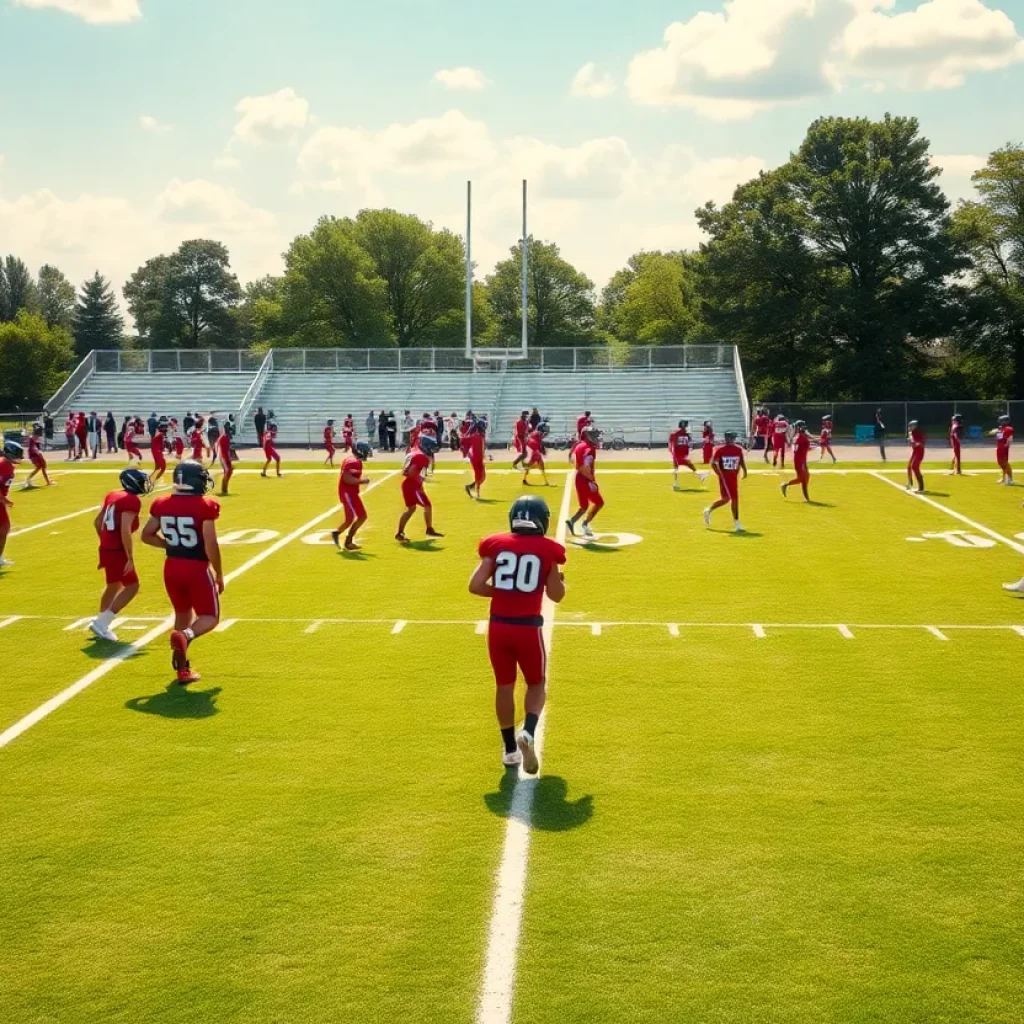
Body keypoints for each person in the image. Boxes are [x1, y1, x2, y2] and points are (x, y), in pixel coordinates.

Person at [468, 495, 567, 772]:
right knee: (536, 683)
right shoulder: (549, 550)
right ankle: (529, 731)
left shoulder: (496, 544)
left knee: (504, 685)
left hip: (499, 626)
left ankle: (509, 749)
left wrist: (501, 592)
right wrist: (559, 582)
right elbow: (556, 595)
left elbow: (475, 586)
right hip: (527, 627)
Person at [142, 460, 223, 686]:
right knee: (209, 617)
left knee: (182, 615)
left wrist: (169, 546)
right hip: (196, 568)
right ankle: (185, 637)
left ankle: (183, 670)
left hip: (171, 567)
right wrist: (219, 572)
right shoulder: (205, 505)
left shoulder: (162, 504)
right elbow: (211, 544)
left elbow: (146, 534)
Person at [89, 467, 152, 642]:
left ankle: (99, 621)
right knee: (132, 587)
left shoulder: (113, 495)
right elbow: (125, 530)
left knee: (113, 585)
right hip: (117, 550)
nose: (143, 485)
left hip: (107, 547)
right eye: (140, 481)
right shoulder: (131, 500)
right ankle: (102, 623)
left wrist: (105, 541)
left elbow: (97, 522)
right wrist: (129, 557)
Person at [396, 434, 442, 544]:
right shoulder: (421, 457)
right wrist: (422, 479)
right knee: (427, 505)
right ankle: (429, 529)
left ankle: (400, 533)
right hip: (413, 485)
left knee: (411, 509)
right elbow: (412, 472)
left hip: (409, 484)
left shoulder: (414, 452)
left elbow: (405, 471)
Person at [332, 441, 374, 550]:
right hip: (347, 492)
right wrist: (362, 481)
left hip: (352, 493)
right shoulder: (352, 462)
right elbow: (347, 479)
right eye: (365, 452)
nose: (367, 454)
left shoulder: (356, 461)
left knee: (362, 516)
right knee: (350, 518)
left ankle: (348, 540)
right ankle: (337, 534)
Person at [704, 430, 747, 533]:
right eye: (731, 438)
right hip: (725, 478)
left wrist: (745, 471)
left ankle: (709, 510)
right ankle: (736, 523)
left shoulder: (738, 450)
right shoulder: (721, 450)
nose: (733, 440)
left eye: (734, 438)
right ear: (727, 439)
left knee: (727, 499)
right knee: (731, 499)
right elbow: (713, 462)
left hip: (733, 477)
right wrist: (719, 473)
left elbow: (741, 460)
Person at [567, 427, 604, 538]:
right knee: (599, 503)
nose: (596, 437)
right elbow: (585, 466)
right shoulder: (589, 449)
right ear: (587, 435)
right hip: (585, 479)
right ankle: (585, 524)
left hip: (579, 478)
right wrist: (591, 480)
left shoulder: (579, 445)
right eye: (593, 434)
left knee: (584, 505)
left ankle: (572, 521)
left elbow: (572, 459)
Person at [0, 440, 23, 567]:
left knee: (4, 529)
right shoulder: (4, 465)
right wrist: (5, 500)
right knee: (4, 529)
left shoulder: (6, 464)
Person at [669, 420, 707, 490]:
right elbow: (672, 445)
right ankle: (700, 475)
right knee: (688, 464)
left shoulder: (684, 434)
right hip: (678, 454)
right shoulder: (677, 434)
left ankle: (675, 484)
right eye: (686, 425)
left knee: (676, 468)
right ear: (683, 425)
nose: (687, 427)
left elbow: (689, 444)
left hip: (681, 454)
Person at [782, 420, 812, 501]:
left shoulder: (801, 437)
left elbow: (804, 448)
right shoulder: (799, 438)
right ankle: (785, 485)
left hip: (802, 460)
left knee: (805, 478)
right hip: (799, 461)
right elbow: (799, 450)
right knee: (802, 479)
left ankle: (807, 499)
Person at [464, 420, 488, 500]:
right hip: (476, 458)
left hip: (478, 457)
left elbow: (482, 447)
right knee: (479, 476)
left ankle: (470, 487)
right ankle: (477, 494)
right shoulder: (476, 436)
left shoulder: (478, 436)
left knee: (483, 477)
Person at [523, 422, 550, 486]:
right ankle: (546, 482)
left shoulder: (535, 432)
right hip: (534, 450)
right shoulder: (538, 433)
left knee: (538, 464)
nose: (546, 429)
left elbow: (536, 442)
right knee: (536, 464)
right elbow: (540, 443)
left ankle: (546, 482)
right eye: (544, 427)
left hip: (533, 449)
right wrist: (543, 451)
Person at [994, 414, 1014, 485]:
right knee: (1000, 463)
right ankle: (1003, 478)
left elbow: (1010, 438)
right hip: (999, 447)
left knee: (1004, 463)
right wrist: (997, 432)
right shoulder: (1000, 428)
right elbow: (999, 438)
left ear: (1005, 421)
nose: (1000, 422)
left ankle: (1010, 479)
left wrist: (1007, 445)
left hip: (1004, 447)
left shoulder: (1009, 428)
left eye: (1001, 421)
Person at [907, 420, 926, 493]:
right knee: (909, 466)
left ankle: (921, 488)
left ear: (915, 426)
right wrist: (912, 440)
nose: (909, 427)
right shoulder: (911, 433)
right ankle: (910, 483)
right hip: (915, 452)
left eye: (911, 426)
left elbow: (922, 443)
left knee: (914, 467)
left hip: (919, 452)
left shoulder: (919, 433)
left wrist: (918, 443)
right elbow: (912, 440)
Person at [215, 428, 233, 496]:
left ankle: (224, 489)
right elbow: (226, 450)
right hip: (224, 456)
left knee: (228, 471)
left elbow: (217, 446)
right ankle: (224, 490)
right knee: (228, 471)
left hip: (223, 456)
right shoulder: (224, 437)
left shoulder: (222, 437)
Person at [150, 418, 169, 483]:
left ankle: (151, 479)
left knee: (158, 468)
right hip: (157, 452)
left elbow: (156, 443)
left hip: (156, 452)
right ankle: (154, 481)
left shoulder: (158, 434)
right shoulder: (160, 435)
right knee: (162, 468)